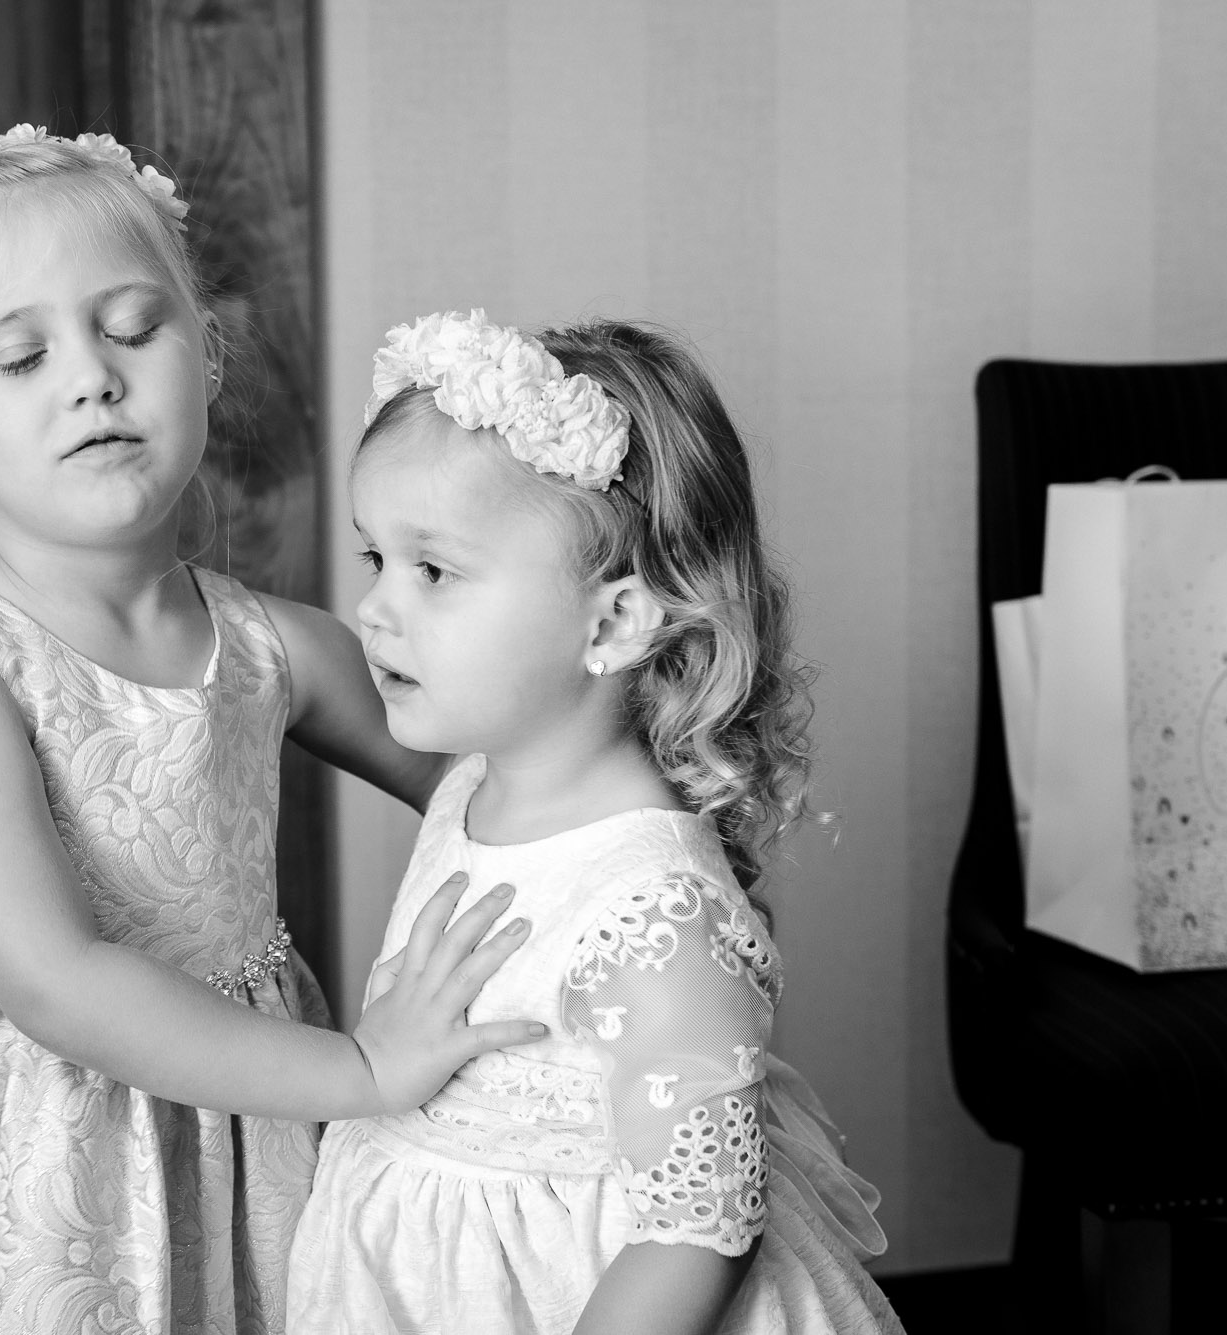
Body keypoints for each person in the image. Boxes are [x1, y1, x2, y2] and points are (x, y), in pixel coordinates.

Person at [0, 130, 546, 1335]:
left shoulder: (273, 647)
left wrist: (628, 877)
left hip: (244, 1123)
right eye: (21, 357)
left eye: (129, 328)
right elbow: (55, 983)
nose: (90, 379)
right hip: (23, 1146)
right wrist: (364, 1072)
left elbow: (508, 783)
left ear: (206, 356)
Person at [288, 311, 904, 1335]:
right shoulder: (475, 781)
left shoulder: (651, 913)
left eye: (431, 570)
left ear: (613, 621)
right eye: (374, 558)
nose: (376, 610)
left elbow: (698, 1228)